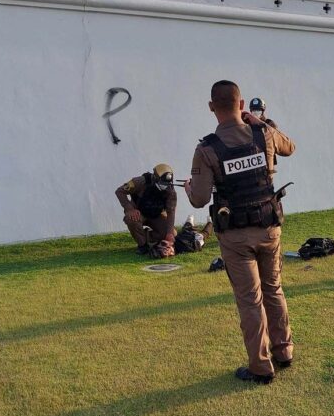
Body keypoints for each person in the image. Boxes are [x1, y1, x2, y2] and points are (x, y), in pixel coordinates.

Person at [184, 80, 295, 384]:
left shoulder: (207, 149)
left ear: (211, 107)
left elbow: (199, 198)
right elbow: (290, 146)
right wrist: (261, 123)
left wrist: (190, 188)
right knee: (273, 289)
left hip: (235, 236)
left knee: (250, 299)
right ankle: (284, 351)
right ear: (242, 104)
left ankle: (260, 367)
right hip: (269, 227)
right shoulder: (264, 133)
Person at [115, 164, 177, 255]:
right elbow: (120, 191)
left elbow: (171, 212)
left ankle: (147, 238)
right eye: (162, 183)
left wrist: (169, 233)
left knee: (172, 233)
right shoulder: (140, 181)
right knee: (132, 219)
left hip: (156, 214)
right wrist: (129, 209)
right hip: (138, 212)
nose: (165, 186)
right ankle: (142, 245)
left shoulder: (170, 191)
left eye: (167, 184)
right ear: (155, 178)